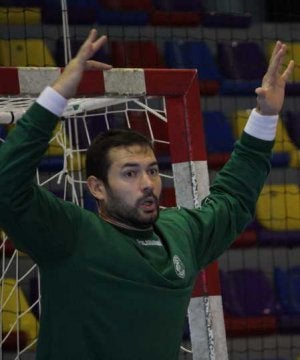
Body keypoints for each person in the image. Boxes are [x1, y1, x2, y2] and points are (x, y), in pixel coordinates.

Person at [0, 29, 294, 360]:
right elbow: (7, 184)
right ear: (97, 187)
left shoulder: (179, 232)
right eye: (130, 173)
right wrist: (57, 96)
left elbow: (234, 200)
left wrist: (266, 117)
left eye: (152, 170)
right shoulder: (71, 235)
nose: (147, 183)